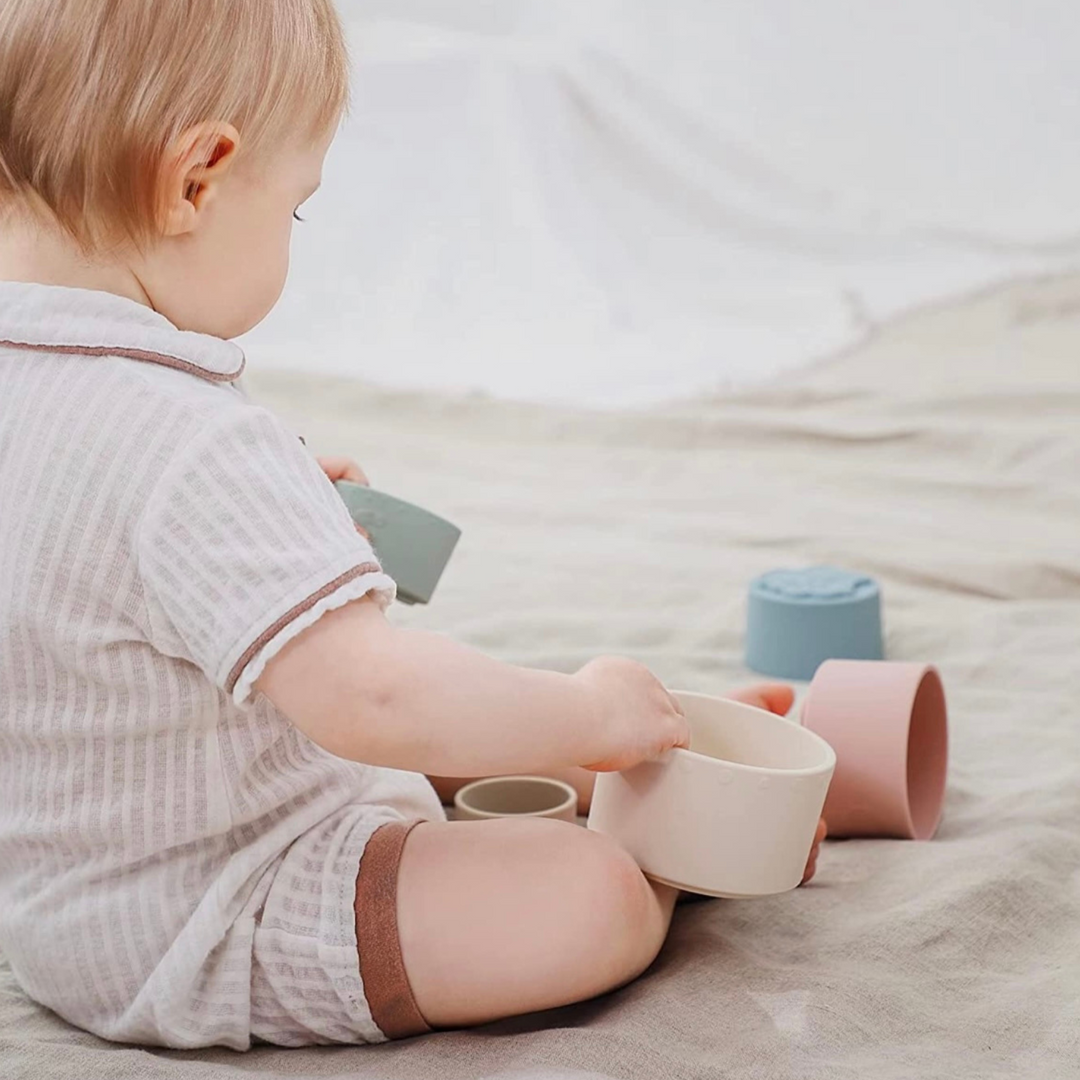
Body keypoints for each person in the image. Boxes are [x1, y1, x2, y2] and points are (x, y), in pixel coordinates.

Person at [0, 0, 825, 1051]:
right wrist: (581, 711)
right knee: (585, 891)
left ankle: (632, 765)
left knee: (476, 739)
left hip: (58, 914)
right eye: (295, 207)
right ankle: (662, 831)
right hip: (225, 905)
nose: (293, 230)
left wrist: (287, 513)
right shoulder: (189, 442)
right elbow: (370, 698)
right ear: (199, 178)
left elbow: (84, 574)